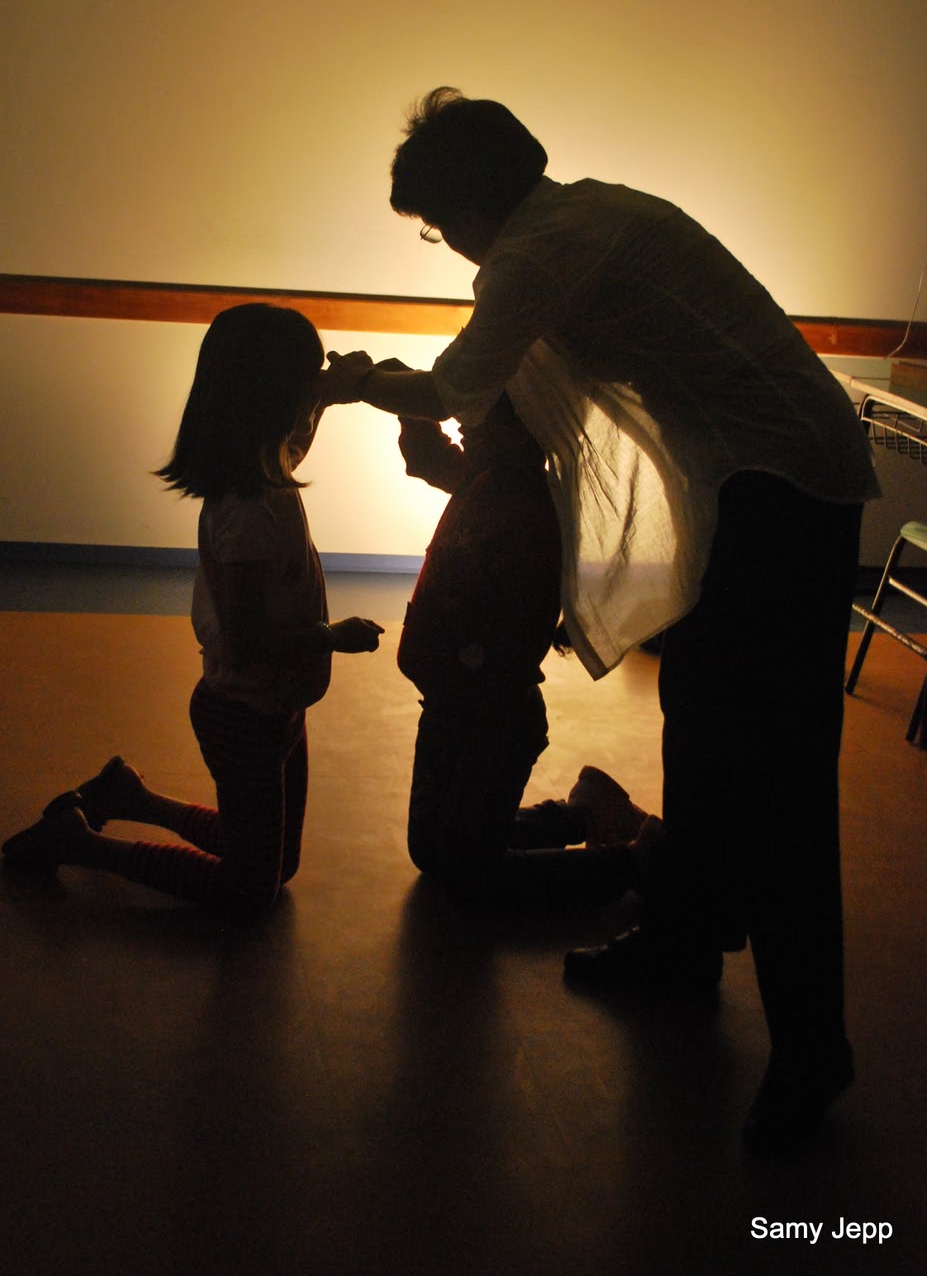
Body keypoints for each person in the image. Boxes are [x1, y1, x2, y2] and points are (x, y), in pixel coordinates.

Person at [323, 87, 880, 1152]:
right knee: (701, 721)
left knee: (775, 777)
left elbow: (458, 384)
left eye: (436, 225)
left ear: (469, 204)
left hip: (783, 497)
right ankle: (681, 941)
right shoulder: (595, 211)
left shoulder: (539, 252)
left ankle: (813, 1049)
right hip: (765, 488)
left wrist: (355, 382)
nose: (447, 246)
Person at [1, 303, 384, 916]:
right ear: (271, 395)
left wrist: (326, 399)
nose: (314, 388)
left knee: (274, 864)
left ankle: (131, 798)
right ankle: (76, 843)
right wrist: (331, 636)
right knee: (248, 890)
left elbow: (295, 444)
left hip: (276, 702)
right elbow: (248, 641)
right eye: (306, 379)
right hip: (243, 712)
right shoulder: (246, 512)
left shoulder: (264, 467)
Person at [394, 391, 653, 905]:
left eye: (479, 415)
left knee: (466, 872)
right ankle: (586, 814)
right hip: (450, 703)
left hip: (492, 716)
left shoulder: (531, 509)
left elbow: (518, 642)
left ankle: (637, 862)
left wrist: (483, 724)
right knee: (434, 850)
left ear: (522, 429)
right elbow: (425, 455)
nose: (463, 422)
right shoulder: (484, 475)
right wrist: (406, 397)